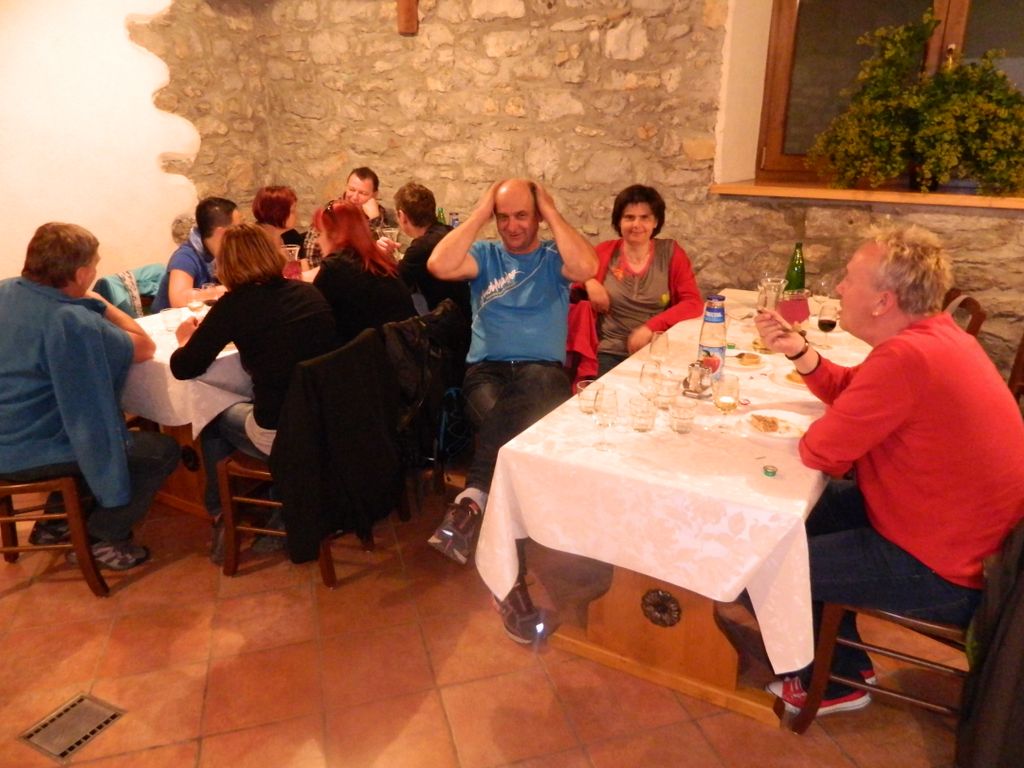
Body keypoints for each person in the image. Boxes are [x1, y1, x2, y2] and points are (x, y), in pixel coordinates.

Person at [755, 225, 1024, 716]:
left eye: (849, 278)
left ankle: (832, 686)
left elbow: (822, 453)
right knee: (798, 518)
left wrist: (837, 427)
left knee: (765, 564)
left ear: (883, 301)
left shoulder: (909, 357)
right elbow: (852, 391)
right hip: (957, 534)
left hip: (949, 568)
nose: (839, 288)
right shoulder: (934, 336)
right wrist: (799, 351)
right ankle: (845, 661)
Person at [426, 178, 598, 642]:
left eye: (522, 215)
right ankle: (507, 580)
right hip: (487, 376)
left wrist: (552, 210)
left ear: (538, 217)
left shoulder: (554, 259)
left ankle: (472, 504)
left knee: (535, 400)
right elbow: (438, 264)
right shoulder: (484, 256)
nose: (512, 226)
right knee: (512, 460)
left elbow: (588, 266)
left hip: (541, 376)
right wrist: (483, 209)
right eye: (504, 217)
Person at [0, 223, 179, 570]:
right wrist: (101, 303)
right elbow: (144, 346)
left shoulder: (5, 292)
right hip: (32, 450)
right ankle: (103, 537)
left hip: (8, 438)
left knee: (70, 428)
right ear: (82, 273)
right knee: (157, 451)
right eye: (95, 266)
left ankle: (54, 524)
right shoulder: (72, 320)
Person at [170, 224, 336, 529]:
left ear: (227, 264)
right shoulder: (308, 292)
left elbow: (185, 367)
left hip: (282, 430)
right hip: (328, 416)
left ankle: (221, 510)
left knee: (211, 414)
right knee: (253, 393)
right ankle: (273, 492)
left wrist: (184, 341)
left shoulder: (233, 305)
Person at [585, 184, 703, 376]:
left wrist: (651, 327)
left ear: (656, 222)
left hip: (656, 350)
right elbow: (568, 278)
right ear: (618, 222)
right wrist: (589, 282)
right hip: (609, 351)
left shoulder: (671, 252)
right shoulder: (604, 252)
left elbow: (693, 302)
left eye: (645, 217)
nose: (636, 224)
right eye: (629, 217)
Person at [312, 199, 416, 347]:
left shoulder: (335, 267)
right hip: (408, 346)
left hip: (377, 354)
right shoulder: (378, 260)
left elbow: (315, 317)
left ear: (334, 234)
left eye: (320, 233)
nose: (317, 241)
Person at [393, 181, 472, 320]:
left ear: (402, 216)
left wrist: (384, 257)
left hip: (449, 323)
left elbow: (395, 286)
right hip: (467, 313)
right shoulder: (449, 231)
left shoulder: (420, 248)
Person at [151, 197, 240, 311]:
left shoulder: (224, 253)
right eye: (238, 228)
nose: (241, 233)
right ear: (221, 232)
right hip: (170, 320)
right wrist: (227, 289)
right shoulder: (185, 256)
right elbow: (178, 299)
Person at [302, 167, 396, 265]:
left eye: (363, 193)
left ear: (374, 195)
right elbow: (311, 254)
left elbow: (384, 254)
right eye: (351, 190)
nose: (355, 197)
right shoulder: (332, 212)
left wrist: (374, 219)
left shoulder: (377, 212)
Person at [252, 185, 298, 250]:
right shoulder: (256, 243)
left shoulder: (286, 237)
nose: (296, 215)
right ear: (277, 212)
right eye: (292, 211)